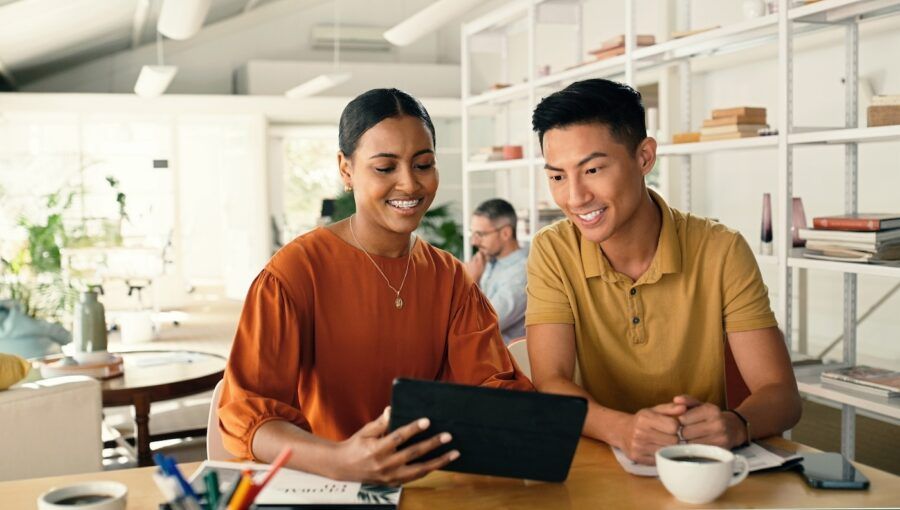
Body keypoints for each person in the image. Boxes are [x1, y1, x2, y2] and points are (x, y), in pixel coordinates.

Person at [218, 88, 532, 484]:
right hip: (326, 483)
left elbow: (492, 387)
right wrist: (337, 459)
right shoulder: (294, 273)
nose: (410, 184)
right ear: (346, 170)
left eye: (424, 164)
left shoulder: (449, 277)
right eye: (385, 168)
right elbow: (247, 412)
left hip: (427, 482)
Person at [526, 78, 801, 465]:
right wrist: (622, 429)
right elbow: (551, 381)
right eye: (557, 176)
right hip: (603, 460)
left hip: (701, 466)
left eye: (592, 170)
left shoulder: (721, 249)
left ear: (644, 157)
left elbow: (782, 394)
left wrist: (736, 424)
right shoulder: (553, 250)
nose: (574, 197)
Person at [464, 199, 528, 343]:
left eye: (481, 234)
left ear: (505, 233)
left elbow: (481, 325)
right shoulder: (488, 260)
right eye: (472, 234)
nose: (474, 242)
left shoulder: (521, 275)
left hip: (503, 362)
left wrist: (470, 282)